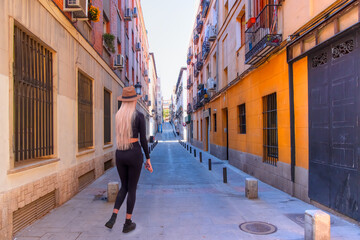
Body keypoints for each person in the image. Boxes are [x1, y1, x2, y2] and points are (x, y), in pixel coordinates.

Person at [105, 86, 153, 233]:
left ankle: (113, 216)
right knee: (132, 189)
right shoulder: (139, 116)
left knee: (124, 186)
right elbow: (144, 141)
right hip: (134, 153)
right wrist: (148, 158)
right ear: (134, 101)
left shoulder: (118, 116)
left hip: (120, 153)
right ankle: (127, 223)